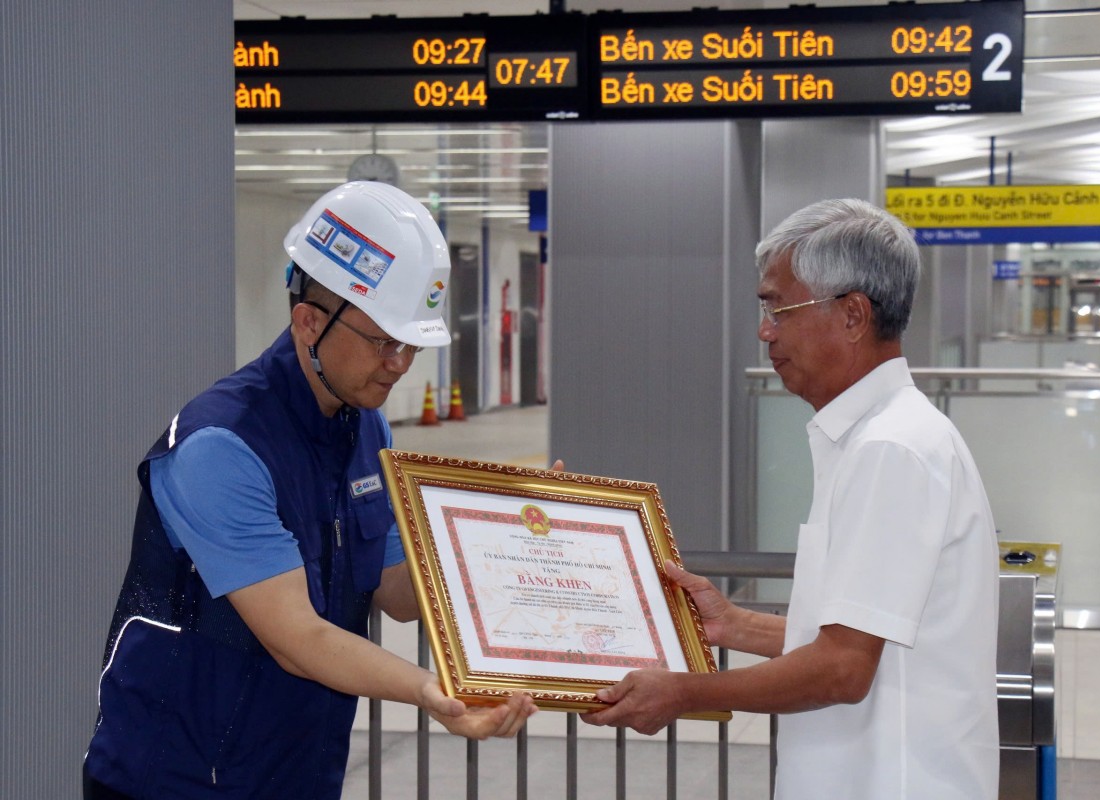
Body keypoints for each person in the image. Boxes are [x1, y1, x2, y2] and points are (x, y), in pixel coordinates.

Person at [83, 182, 536, 800]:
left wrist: (501, 542)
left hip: (296, 771)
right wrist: (430, 690)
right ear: (308, 322)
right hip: (178, 779)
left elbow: (397, 591)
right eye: (383, 341)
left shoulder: (361, 421)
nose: (400, 363)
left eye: (411, 344)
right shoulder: (220, 445)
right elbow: (299, 639)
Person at [583, 198, 999, 798]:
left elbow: (842, 667)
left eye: (778, 306)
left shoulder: (891, 448)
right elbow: (865, 632)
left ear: (853, 314)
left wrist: (681, 693)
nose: (765, 330)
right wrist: (735, 626)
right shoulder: (879, 436)